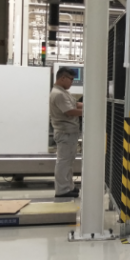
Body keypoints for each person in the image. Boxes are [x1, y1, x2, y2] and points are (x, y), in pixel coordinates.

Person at [50, 68, 83, 197]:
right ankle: (62, 190)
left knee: (68, 162)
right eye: (71, 79)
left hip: (69, 133)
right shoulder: (58, 94)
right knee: (64, 162)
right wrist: (90, 112)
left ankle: (69, 187)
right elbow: (70, 111)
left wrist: (91, 105)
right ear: (63, 78)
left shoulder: (63, 92)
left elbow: (75, 105)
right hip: (65, 133)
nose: (72, 82)